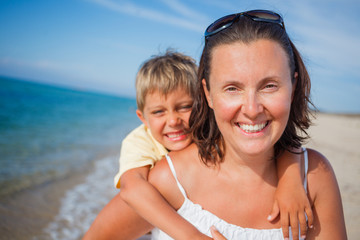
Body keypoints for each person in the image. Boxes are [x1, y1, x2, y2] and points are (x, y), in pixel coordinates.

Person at [147, 10, 347, 239]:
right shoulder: (169, 179)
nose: (252, 110)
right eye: (232, 88)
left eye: (269, 86)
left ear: (292, 87)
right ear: (208, 93)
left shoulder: (314, 179)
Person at [84, 50, 313, 240]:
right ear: (142, 118)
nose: (173, 121)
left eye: (184, 107)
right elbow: (132, 189)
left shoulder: (213, 127)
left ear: (203, 103)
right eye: (159, 112)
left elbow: (279, 141)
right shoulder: (140, 140)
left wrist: (290, 180)